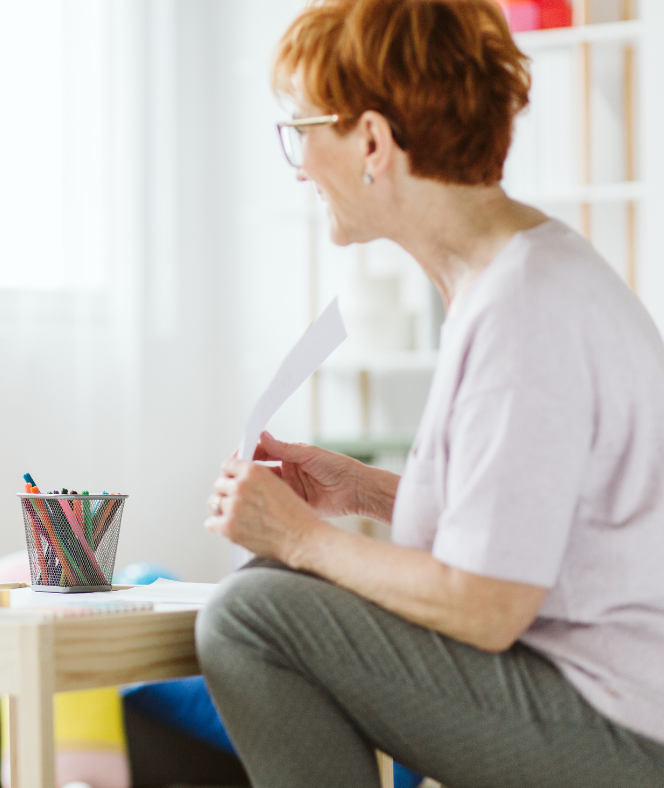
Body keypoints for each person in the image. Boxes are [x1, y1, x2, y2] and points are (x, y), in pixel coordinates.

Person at [195, 1, 664, 786]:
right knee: (268, 590)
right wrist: (362, 489)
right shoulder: (521, 275)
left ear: (372, 141)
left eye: (305, 129)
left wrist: (302, 539)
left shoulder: (524, 308)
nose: (299, 161)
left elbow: (487, 604)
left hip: (621, 732)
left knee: (252, 615)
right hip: (616, 708)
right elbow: (523, 523)